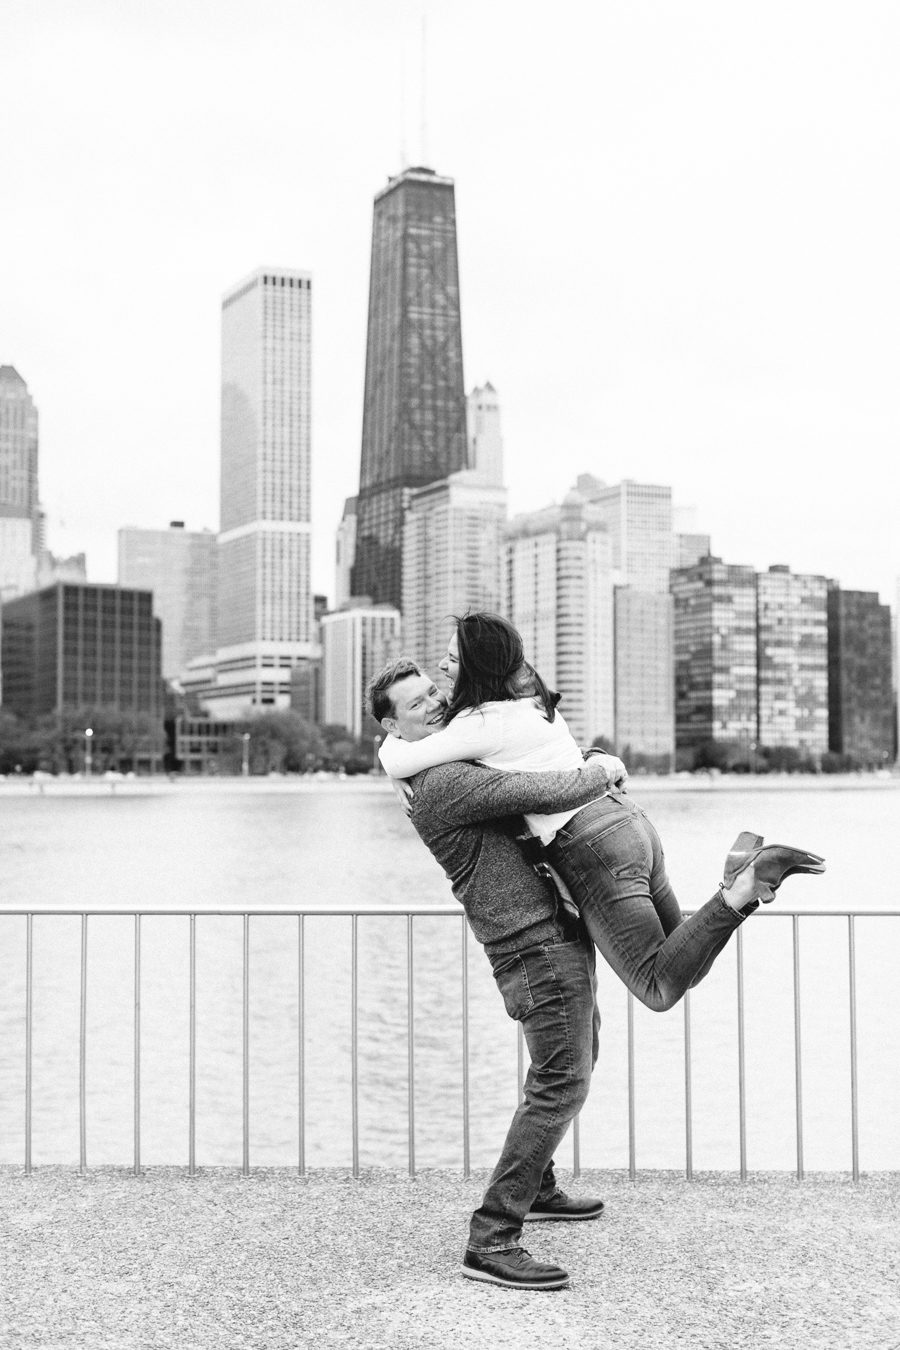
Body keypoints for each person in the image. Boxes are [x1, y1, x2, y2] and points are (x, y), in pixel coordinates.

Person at [378, 612, 826, 1013]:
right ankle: (741, 888)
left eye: (452, 660)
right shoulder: (534, 700)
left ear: (476, 668)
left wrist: (390, 752)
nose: (442, 666)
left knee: (656, 987)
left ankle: (742, 886)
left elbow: (402, 758)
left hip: (590, 843)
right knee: (684, 963)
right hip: (630, 821)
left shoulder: (478, 723)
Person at [367, 658, 625, 1292]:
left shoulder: (440, 760)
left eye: (432, 691)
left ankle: (537, 1186)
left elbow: (526, 751)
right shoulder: (442, 780)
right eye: (415, 703)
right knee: (563, 1079)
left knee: (577, 1055)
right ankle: (492, 1237)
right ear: (390, 724)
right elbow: (542, 791)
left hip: (549, 925)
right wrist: (601, 767)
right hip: (529, 942)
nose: (432, 703)